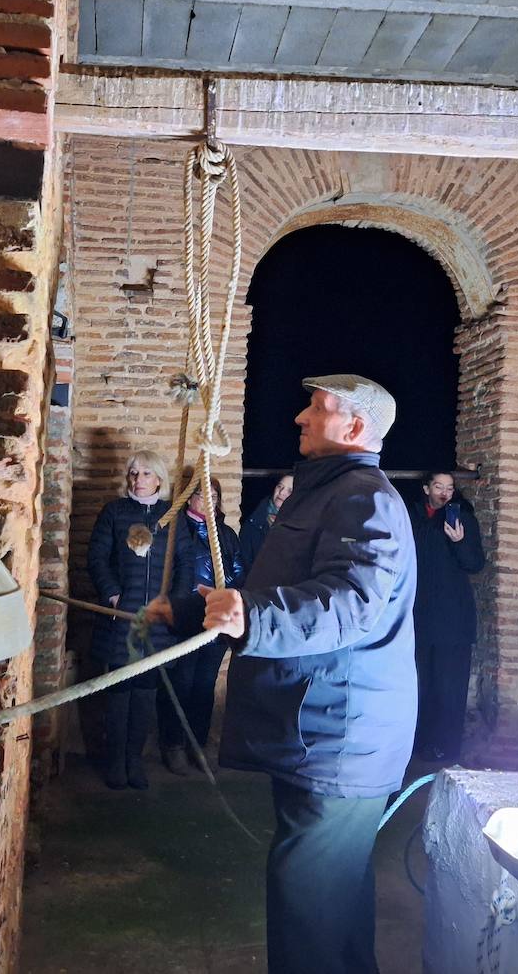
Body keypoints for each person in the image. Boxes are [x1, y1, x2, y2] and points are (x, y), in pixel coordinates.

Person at [147, 373, 416, 974]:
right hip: (324, 730)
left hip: (337, 734)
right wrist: (192, 609)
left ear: (354, 427)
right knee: (329, 903)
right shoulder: (329, 493)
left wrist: (253, 616)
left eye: (316, 409)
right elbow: (284, 589)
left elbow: (354, 602)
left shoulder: (363, 496)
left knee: (309, 914)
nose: (300, 417)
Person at [86, 450, 193, 790]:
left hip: (157, 619)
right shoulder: (114, 512)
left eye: (146, 473)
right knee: (119, 691)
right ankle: (115, 762)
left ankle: (135, 761)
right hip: (121, 616)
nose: (138, 479)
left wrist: (172, 601)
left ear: (159, 479)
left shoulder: (172, 516)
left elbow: (185, 563)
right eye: (133, 473)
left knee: (146, 691)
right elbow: (97, 558)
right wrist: (112, 593)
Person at [158, 474, 243, 774]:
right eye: (199, 495)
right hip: (185, 617)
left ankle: (198, 744)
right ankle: (173, 745)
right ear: (189, 498)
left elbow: (236, 571)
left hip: (215, 621)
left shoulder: (227, 534)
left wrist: (226, 600)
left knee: (205, 685)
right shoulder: (177, 531)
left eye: (214, 496)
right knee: (181, 681)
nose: (207, 501)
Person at [410, 470, 486, 762]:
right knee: (421, 684)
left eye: (450, 488)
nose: (444, 492)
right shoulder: (413, 517)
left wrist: (459, 541)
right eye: (439, 486)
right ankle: (419, 744)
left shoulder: (462, 518)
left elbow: (475, 563)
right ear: (427, 488)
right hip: (418, 617)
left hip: (452, 620)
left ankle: (447, 749)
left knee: (449, 686)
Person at [239, 473, 293, 574]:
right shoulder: (254, 522)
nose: (281, 492)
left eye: (289, 491)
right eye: (280, 486)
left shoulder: (302, 525)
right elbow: (244, 561)